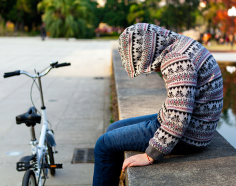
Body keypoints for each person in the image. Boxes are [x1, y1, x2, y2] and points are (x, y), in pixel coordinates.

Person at [93, 23, 223, 186]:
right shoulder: (179, 43)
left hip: (189, 135)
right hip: (196, 125)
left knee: (103, 145)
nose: (153, 71)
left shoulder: (176, 59)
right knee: (113, 130)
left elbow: (178, 117)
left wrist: (150, 155)